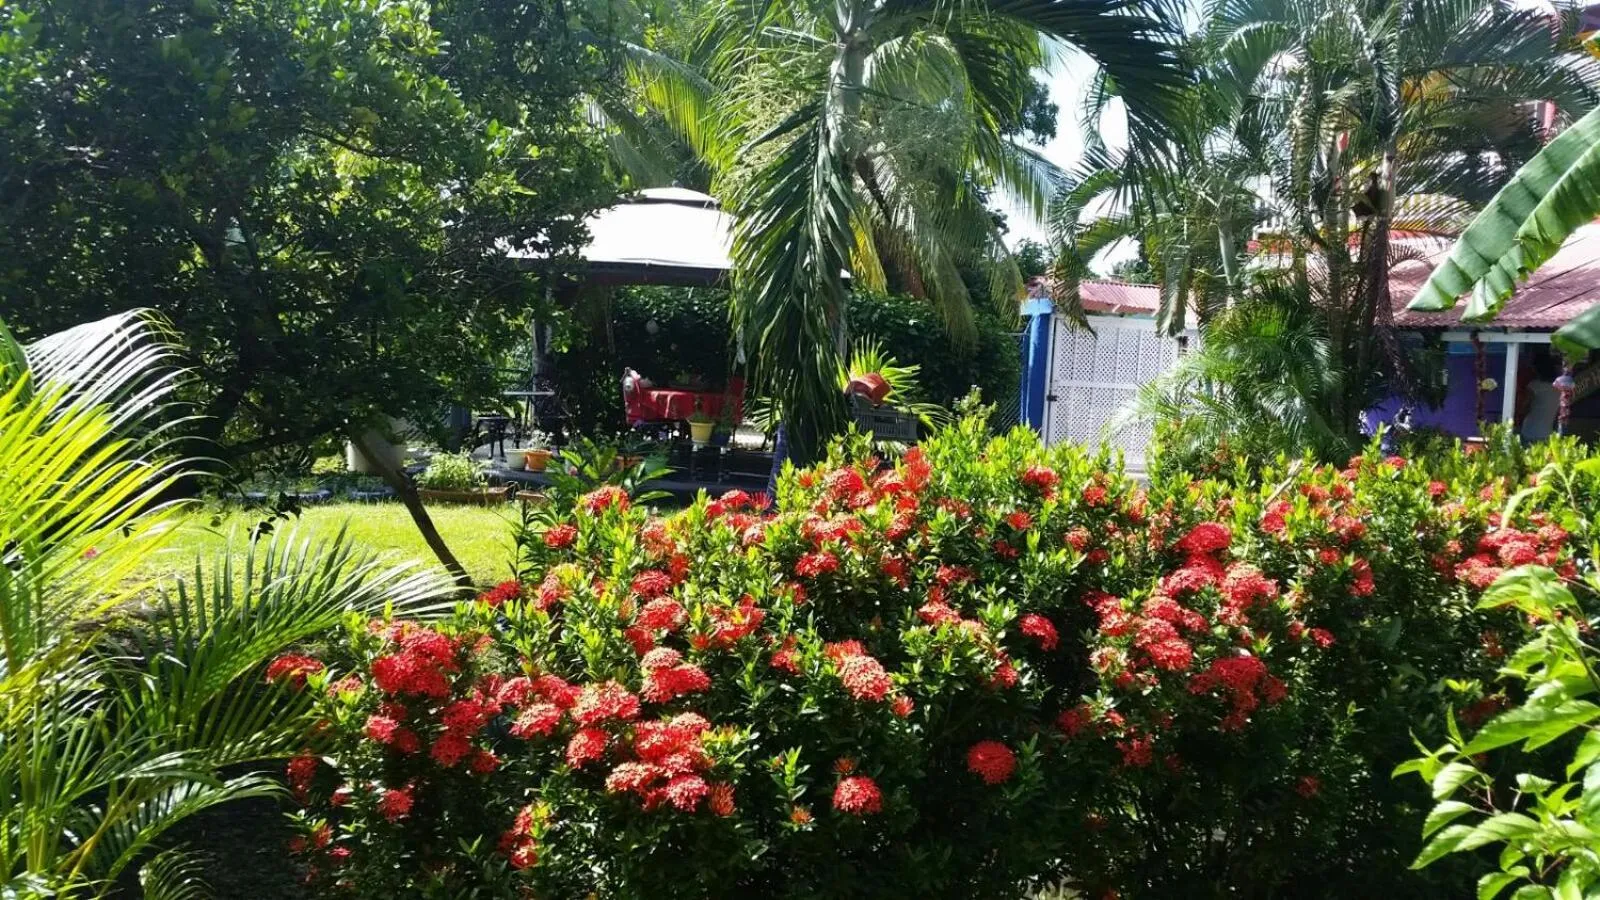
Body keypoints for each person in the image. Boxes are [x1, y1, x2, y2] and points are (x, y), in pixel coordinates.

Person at [1517, 349, 1561, 444]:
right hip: (1547, 433)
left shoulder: (1534, 386)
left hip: (1530, 431)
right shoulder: (1558, 388)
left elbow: (1523, 408)